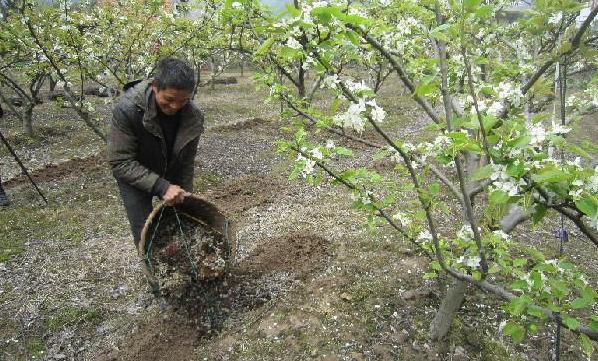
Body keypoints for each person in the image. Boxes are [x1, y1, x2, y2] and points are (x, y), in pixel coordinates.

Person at [107, 58, 204, 247]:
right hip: (134, 172)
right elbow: (121, 162)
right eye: (168, 99)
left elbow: (186, 163)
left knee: (182, 221)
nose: (175, 106)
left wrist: (185, 197)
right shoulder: (128, 109)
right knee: (145, 231)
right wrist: (161, 187)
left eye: (183, 100)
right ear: (154, 86)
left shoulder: (193, 117)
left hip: (170, 168)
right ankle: (154, 273)